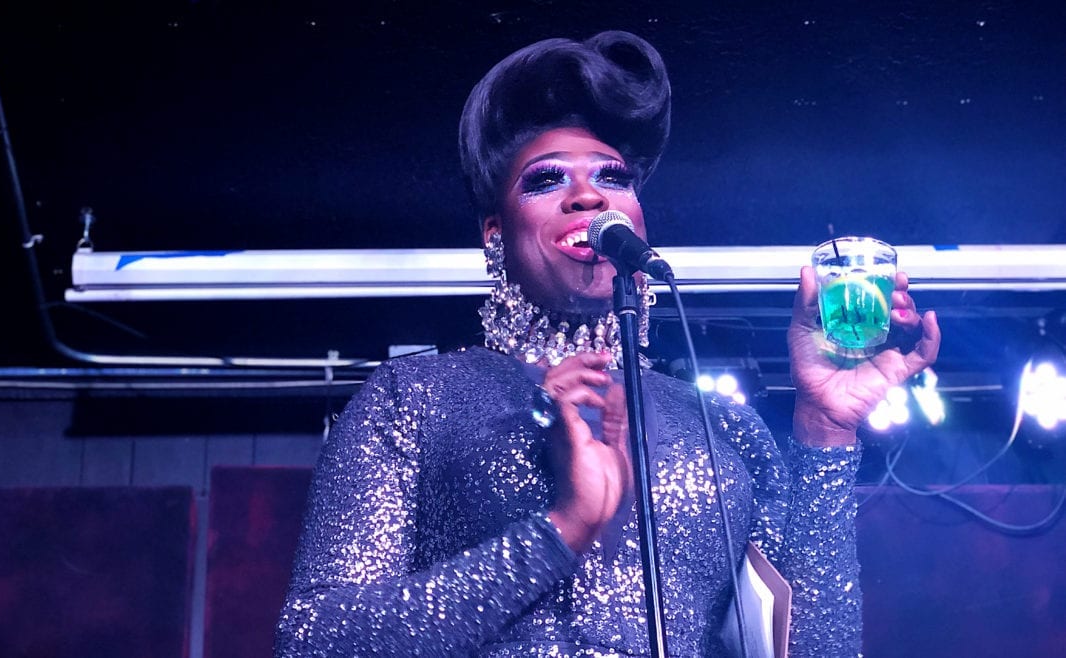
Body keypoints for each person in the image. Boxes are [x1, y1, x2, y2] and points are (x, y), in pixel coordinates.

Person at [274, 30, 940, 657]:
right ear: (494, 232)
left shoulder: (723, 428)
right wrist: (560, 532)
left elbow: (816, 650)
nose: (588, 196)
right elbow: (314, 638)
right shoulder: (415, 398)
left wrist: (825, 428)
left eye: (613, 177)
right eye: (546, 179)